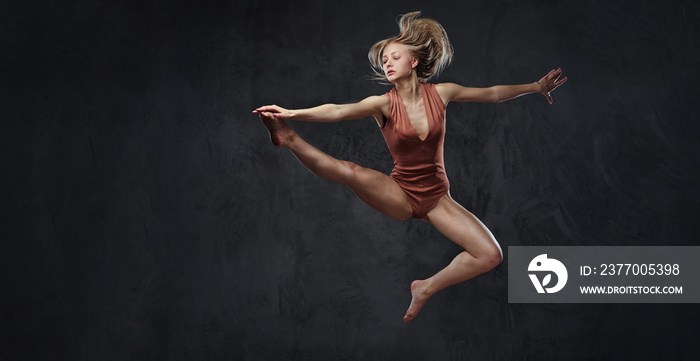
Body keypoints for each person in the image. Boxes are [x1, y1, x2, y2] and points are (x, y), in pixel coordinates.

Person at [253, 11, 566, 323]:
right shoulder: (382, 104)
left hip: (438, 200)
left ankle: (426, 287)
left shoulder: (442, 94)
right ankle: (289, 139)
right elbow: (337, 111)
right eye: (384, 60)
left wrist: (536, 86)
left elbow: (494, 94)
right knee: (351, 172)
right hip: (400, 192)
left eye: (394, 57)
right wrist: (292, 113)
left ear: (414, 61)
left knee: (490, 255)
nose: (386, 63)